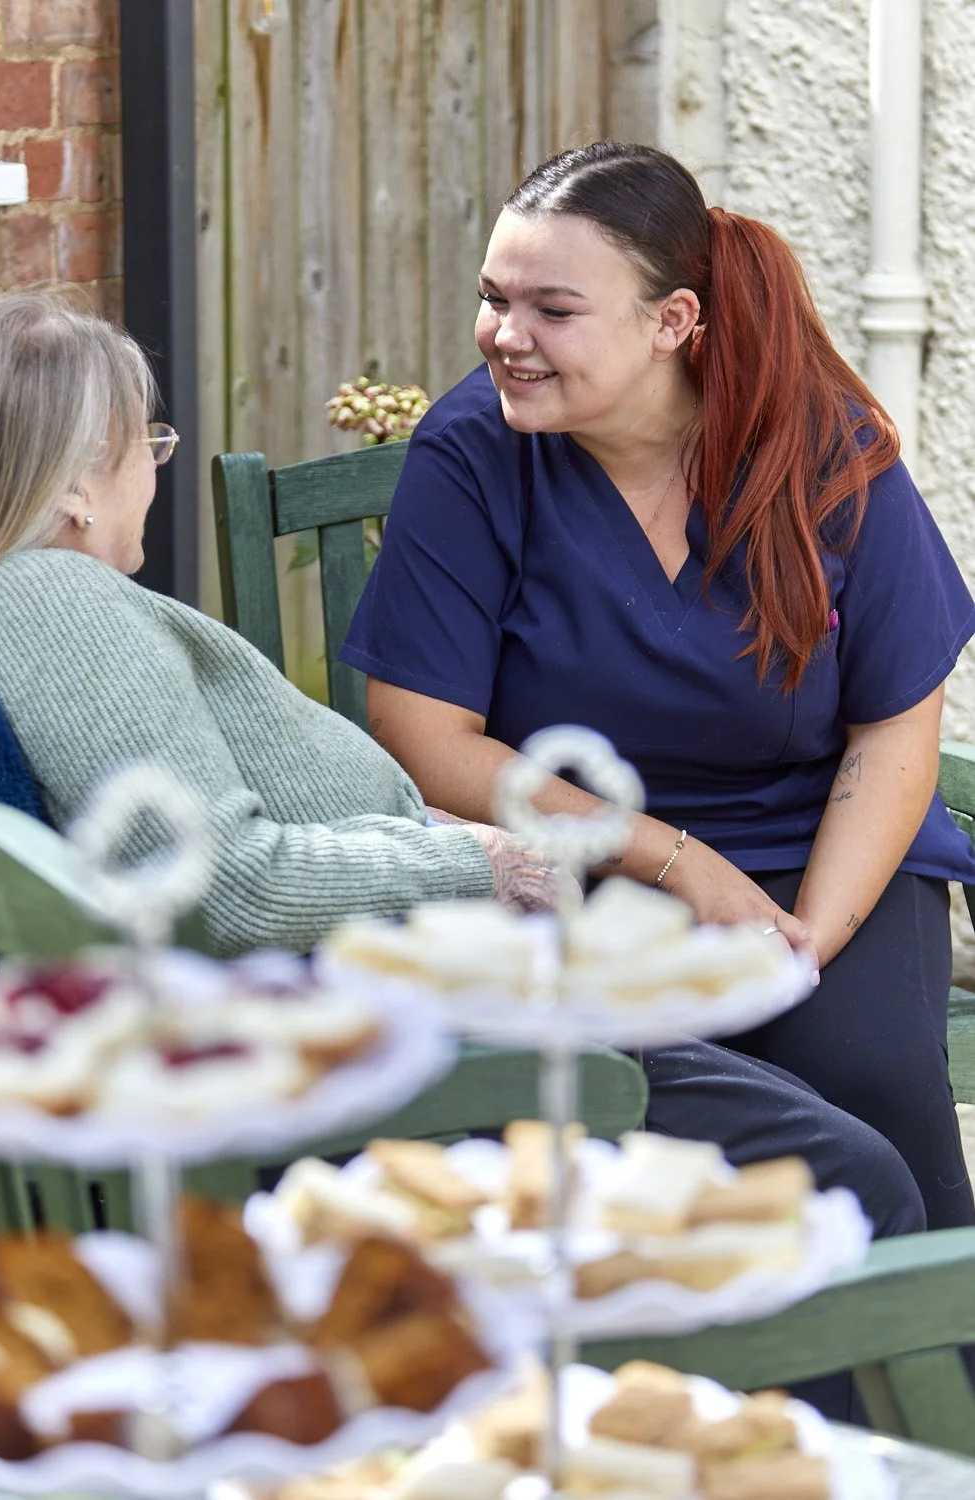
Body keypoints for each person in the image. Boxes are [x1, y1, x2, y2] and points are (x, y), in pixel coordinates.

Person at [342, 141, 975, 1235]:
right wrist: (677, 861)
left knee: (869, 1082)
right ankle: (708, 1385)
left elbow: (890, 729)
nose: (505, 337)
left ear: (672, 322)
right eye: (494, 299)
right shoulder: (472, 454)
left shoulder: (816, 443)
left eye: (552, 309)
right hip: (578, 868)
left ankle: (927, 1392)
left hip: (821, 852)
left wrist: (803, 941)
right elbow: (425, 738)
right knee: (669, 1111)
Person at [0, 293, 564, 955]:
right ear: (72, 483)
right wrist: (482, 861)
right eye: (146, 442)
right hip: (344, 988)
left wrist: (437, 843)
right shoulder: (44, 597)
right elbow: (224, 888)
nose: (153, 469)